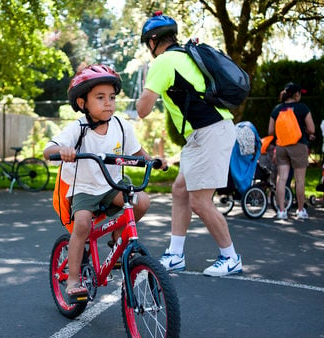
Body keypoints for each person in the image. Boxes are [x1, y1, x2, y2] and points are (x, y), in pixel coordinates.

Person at [44, 64, 164, 299]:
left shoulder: (121, 125)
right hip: (85, 188)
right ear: (82, 103)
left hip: (112, 185)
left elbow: (137, 151)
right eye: (100, 97)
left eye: (111, 97)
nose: (108, 102)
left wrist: (153, 161)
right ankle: (74, 280)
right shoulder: (78, 129)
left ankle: (117, 239)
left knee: (141, 202)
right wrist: (63, 150)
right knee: (82, 224)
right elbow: (48, 150)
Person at [136, 12, 242, 277]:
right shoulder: (185, 56)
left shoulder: (164, 61)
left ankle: (230, 257)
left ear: (152, 41)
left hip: (210, 132)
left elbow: (142, 110)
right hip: (205, 133)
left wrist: (148, 88)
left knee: (200, 201)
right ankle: (175, 254)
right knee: (181, 190)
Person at [268, 82, 315, 220]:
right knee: (300, 180)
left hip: (281, 146)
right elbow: (311, 128)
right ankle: (300, 210)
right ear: (296, 94)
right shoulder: (302, 108)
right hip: (298, 145)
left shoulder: (277, 109)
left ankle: (281, 211)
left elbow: (271, 131)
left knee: (281, 179)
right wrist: (306, 131)